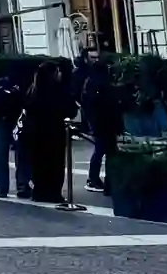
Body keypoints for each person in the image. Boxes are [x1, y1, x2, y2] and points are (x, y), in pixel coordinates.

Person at [23, 59, 74, 203]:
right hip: (53, 133)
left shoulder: (33, 90)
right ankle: (53, 192)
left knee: (38, 163)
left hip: (35, 133)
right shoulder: (57, 91)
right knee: (55, 164)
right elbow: (69, 109)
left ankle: (39, 191)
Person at [0, 59, 28, 199]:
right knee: (22, 154)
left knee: (0, 156)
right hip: (17, 121)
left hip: (1, 120)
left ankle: (1, 187)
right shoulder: (23, 84)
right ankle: (22, 185)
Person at [78, 55, 121, 192]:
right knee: (105, 151)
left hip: (100, 122)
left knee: (103, 151)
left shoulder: (90, 83)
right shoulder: (101, 84)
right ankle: (98, 179)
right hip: (104, 122)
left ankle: (99, 179)